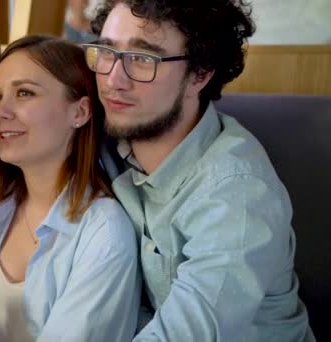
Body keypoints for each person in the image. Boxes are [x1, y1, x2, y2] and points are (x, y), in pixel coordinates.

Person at [82, 0, 315, 340]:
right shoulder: (105, 140)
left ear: (201, 73)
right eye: (107, 52)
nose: (113, 80)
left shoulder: (238, 193)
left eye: (142, 59)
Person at [0, 35, 141, 342]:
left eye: (25, 93)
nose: (1, 112)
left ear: (80, 113)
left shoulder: (104, 232)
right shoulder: (4, 207)